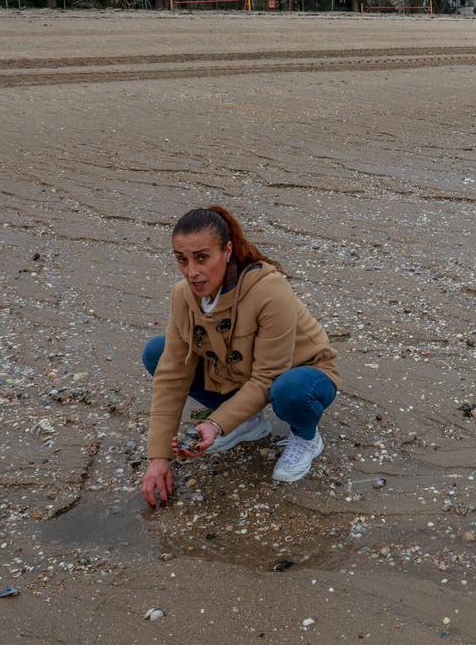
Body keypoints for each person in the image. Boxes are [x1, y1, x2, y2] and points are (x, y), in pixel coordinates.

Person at [140, 205, 339, 508]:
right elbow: (171, 375)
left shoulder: (270, 289)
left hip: (303, 372)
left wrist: (216, 424)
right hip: (239, 373)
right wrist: (158, 458)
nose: (191, 271)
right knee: (157, 352)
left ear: (227, 250)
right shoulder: (182, 295)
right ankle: (248, 424)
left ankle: (306, 437)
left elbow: (268, 376)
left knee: (290, 390)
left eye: (202, 257)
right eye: (182, 259)